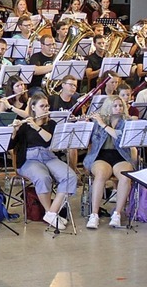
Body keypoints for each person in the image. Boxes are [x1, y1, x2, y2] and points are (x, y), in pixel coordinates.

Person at [12, 93, 78, 230]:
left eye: (47, 105)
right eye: (42, 106)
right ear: (33, 108)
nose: (46, 108)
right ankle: (50, 214)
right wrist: (14, 131)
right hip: (29, 159)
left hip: (48, 155)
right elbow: (11, 146)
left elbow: (50, 140)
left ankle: (51, 213)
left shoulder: (52, 124)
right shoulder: (24, 125)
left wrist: (37, 127)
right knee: (43, 178)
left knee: (70, 176)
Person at [83, 96, 135, 229]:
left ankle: (117, 213)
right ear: (108, 107)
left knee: (125, 176)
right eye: (115, 106)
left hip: (121, 155)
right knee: (100, 175)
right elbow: (90, 142)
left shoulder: (126, 122)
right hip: (101, 155)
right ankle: (94, 214)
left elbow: (120, 138)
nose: (118, 108)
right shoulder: (98, 121)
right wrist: (86, 125)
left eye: (120, 105)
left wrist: (103, 125)